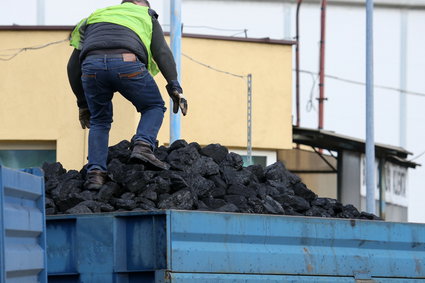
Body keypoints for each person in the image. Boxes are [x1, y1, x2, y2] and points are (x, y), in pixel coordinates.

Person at [67, 0, 187, 189]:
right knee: (153, 106)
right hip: (127, 62)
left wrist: (83, 104)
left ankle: (95, 175)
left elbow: (73, 66)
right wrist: (174, 85)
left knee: (99, 120)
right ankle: (143, 145)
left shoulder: (92, 18)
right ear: (141, 4)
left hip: (91, 67)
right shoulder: (145, 14)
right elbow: (161, 52)